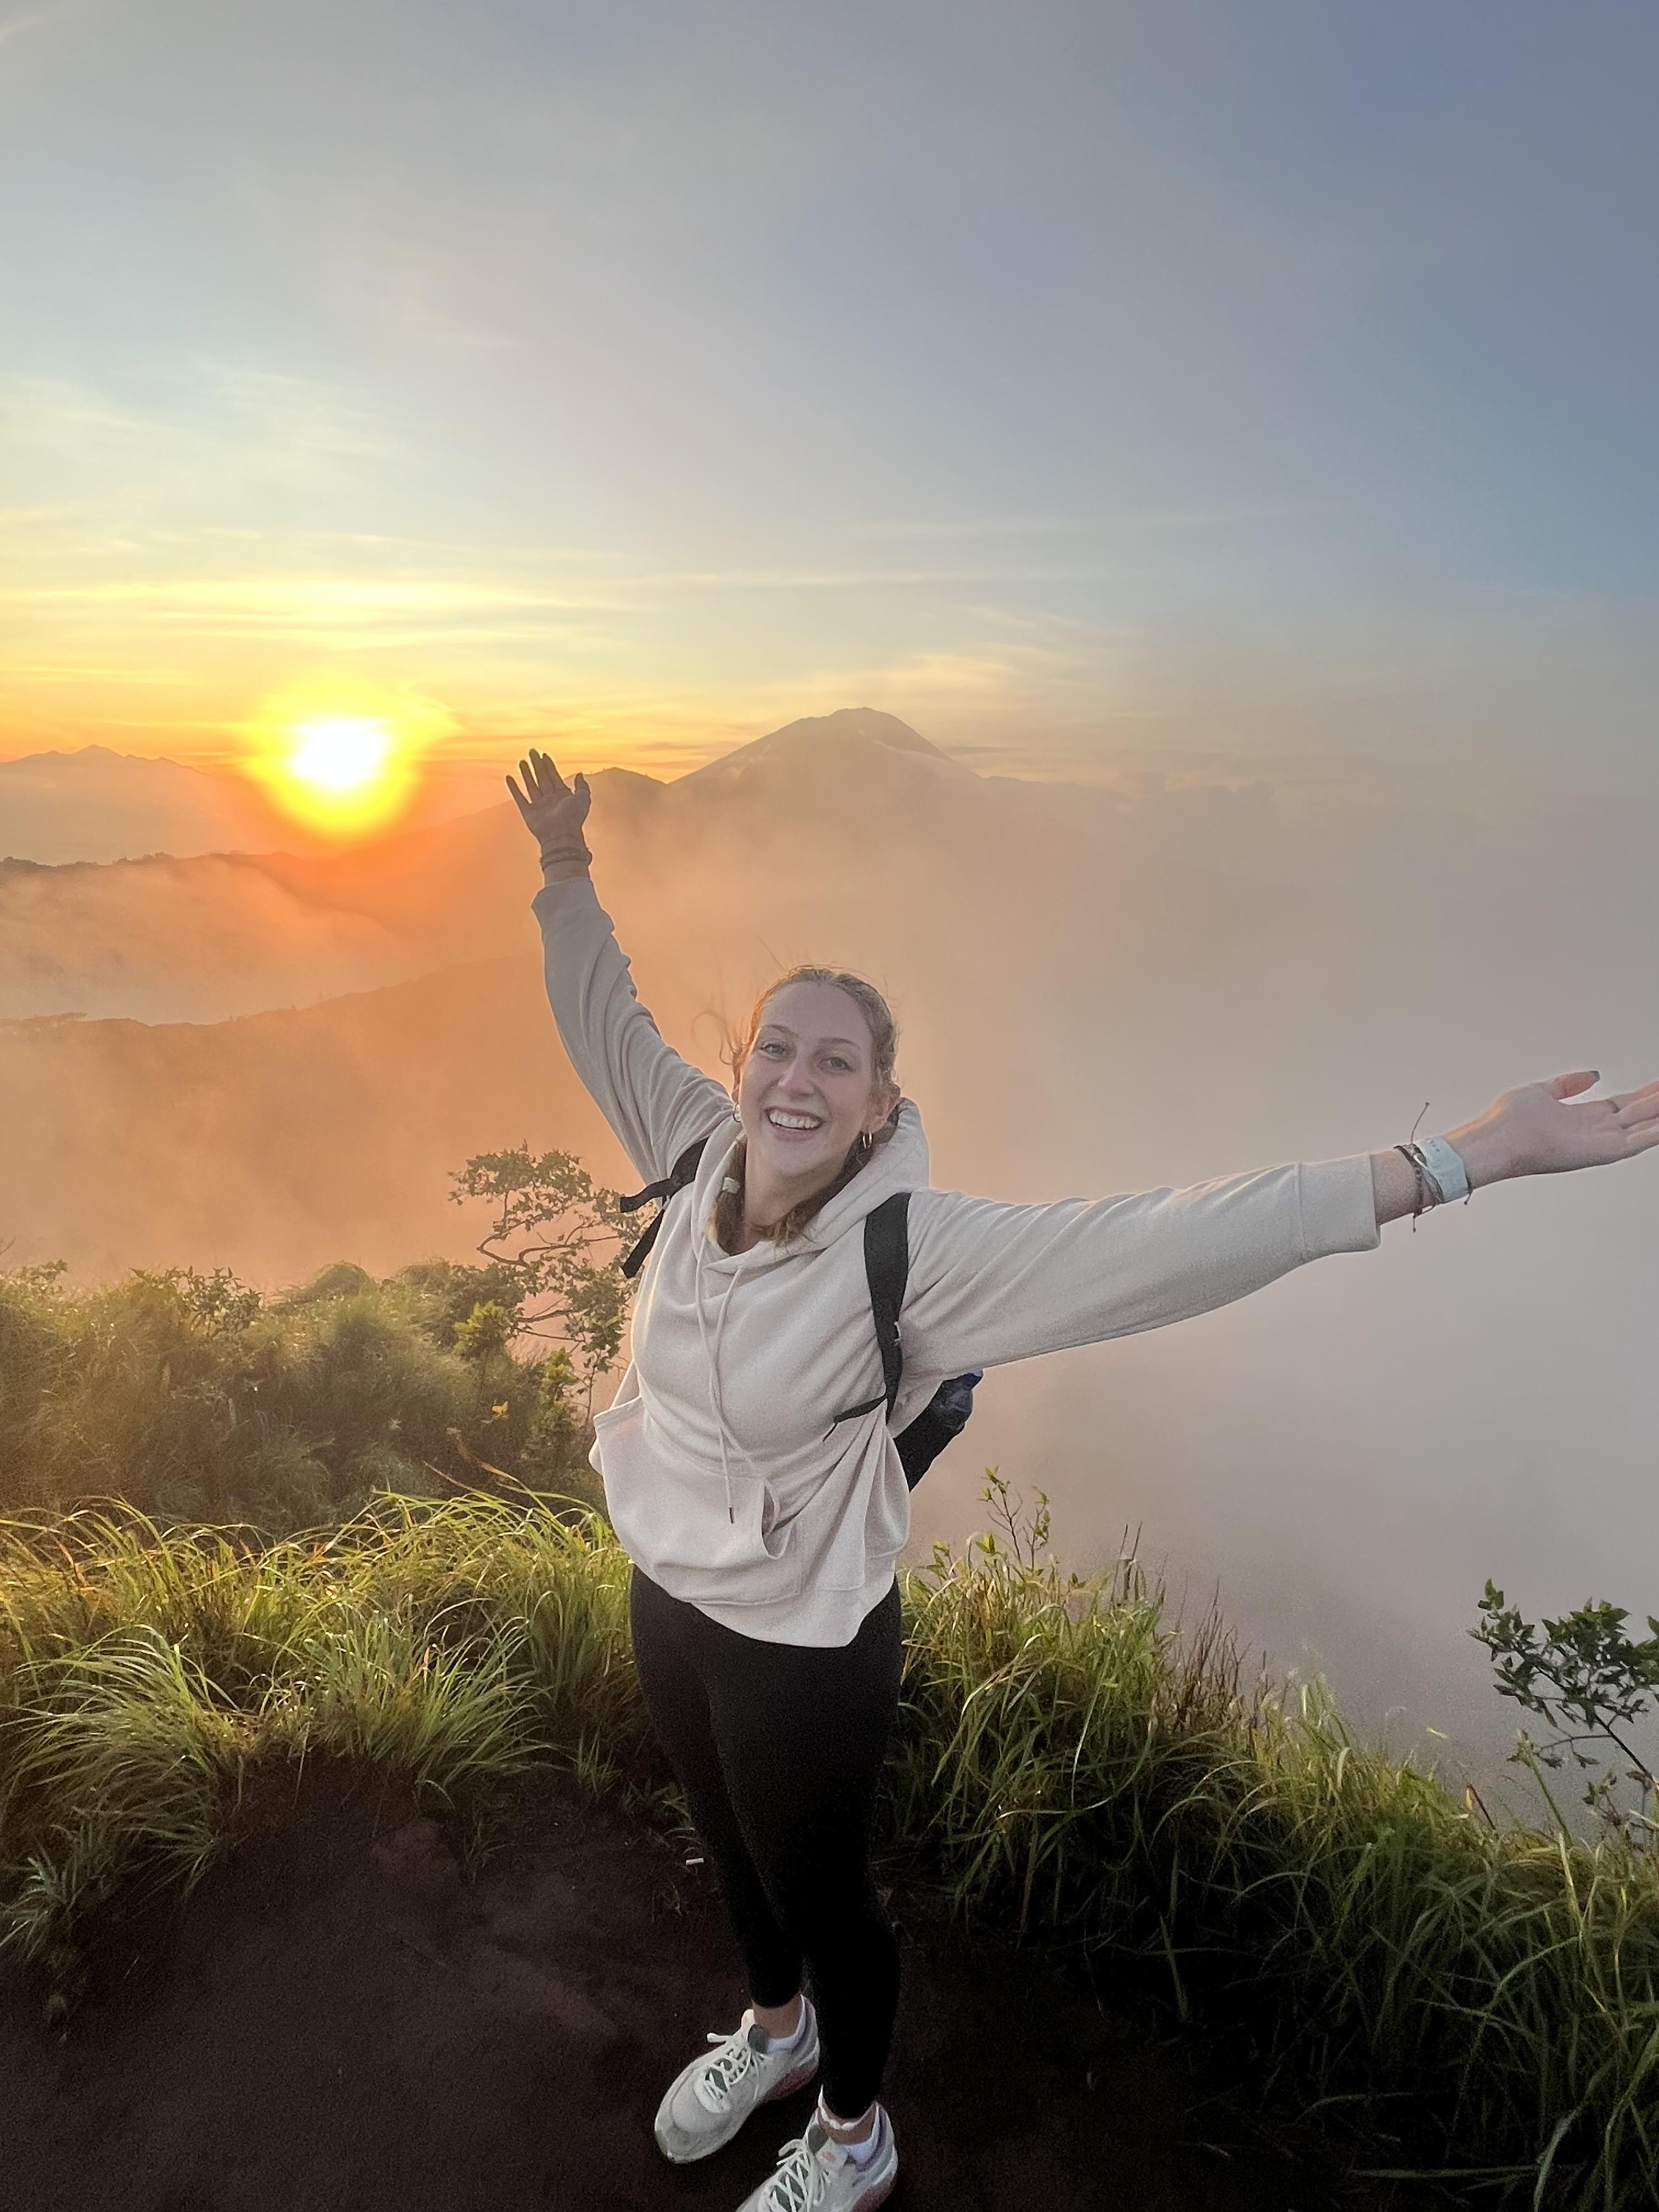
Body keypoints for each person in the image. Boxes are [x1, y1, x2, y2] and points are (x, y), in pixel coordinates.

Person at [508, 745, 1658, 2212]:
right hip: (668, 1582)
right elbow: (602, 1016)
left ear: (879, 1105)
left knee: (820, 1889)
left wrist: (1461, 1158)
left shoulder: (917, 1252)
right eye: (776, 1049)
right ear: (740, 1068)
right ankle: (777, 2037)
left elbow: (1173, 1237)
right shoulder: (690, 1152)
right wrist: (564, 866)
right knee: (728, 1843)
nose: (796, 1079)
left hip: (805, 1629)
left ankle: (853, 2139)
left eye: (836, 1061)